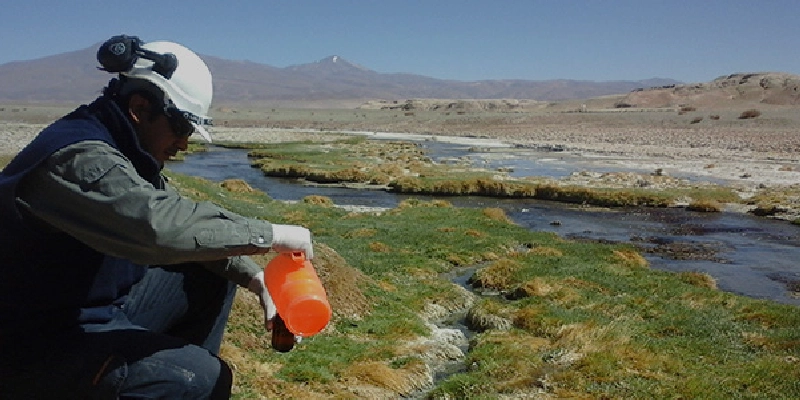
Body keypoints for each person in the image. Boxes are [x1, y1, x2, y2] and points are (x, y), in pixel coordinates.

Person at [0, 35, 314, 399]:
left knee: (205, 269)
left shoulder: (125, 148)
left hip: (84, 313)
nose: (184, 143)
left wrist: (257, 278)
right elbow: (158, 228)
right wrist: (271, 234)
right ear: (139, 107)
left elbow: (187, 223)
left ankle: (162, 377)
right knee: (198, 379)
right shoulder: (79, 158)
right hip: (27, 347)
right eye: (181, 127)